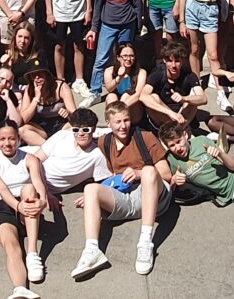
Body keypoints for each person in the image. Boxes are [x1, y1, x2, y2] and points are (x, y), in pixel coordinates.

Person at [70, 102, 173, 279]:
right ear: (108, 124)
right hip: (127, 197)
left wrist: (139, 173)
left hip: (153, 195)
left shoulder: (146, 137)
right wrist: (93, 198)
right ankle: (92, 250)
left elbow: (166, 174)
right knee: (90, 189)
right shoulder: (105, 142)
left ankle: (145, 242)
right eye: (117, 122)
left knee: (149, 170)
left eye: (126, 120)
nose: (123, 126)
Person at [0, 123, 48, 299]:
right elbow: (2, 189)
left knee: (29, 189)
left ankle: (32, 252)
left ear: (18, 139)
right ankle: (20, 288)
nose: (7, 143)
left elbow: (39, 183)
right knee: (11, 246)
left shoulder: (30, 159)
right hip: (4, 207)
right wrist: (17, 207)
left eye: (11, 138)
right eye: (2, 139)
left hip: (28, 203)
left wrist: (42, 200)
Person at [84, 0, 145, 108]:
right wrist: (94, 27)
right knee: (101, 59)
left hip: (127, 25)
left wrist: (138, 27)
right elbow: (97, 7)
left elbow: (138, 6)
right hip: (108, 25)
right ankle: (95, 91)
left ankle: (123, 89)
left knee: (126, 58)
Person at [30, 109, 113, 197]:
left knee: (28, 192)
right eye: (76, 129)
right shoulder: (62, 135)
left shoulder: (97, 155)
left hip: (40, 186)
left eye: (85, 130)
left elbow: (103, 184)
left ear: (93, 130)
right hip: (31, 172)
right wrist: (44, 191)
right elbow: (34, 160)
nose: (80, 133)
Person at [141, 40, 204, 126]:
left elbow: (203, 99)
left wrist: (184, 98)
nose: (173, 65)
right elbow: (143, 96)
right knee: (153, 97)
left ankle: (179, 129)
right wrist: (170, 113)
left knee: (194, 96)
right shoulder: (157, 74)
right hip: (163, 114)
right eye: (170, 61)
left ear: (183, 61)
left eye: (177, 61)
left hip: (183, 115)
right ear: (164, 60)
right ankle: (177, 129)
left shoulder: (189, 75)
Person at [18, 65, 77, 146]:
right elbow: (23, 119)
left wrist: (68, 113)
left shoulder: (61, 86)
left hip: (60, 125)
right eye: (33, 75)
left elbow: (76, 116)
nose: (37, 77)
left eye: (40, 74)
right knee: (21, 130)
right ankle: (47, 148)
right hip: (40, 127)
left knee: (76, 128)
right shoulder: (29, 89)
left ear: (47, 74)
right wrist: (36, 98)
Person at [103, 43, 149, 125]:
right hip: (116, 107)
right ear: (118, 57)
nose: (128, 59)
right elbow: (109, 88)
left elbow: (138, 94)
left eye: (131, 56)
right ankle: (113, 124)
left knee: (126, 95)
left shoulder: (141, 72)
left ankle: (123, 123)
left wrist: (121, 108)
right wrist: (119, 77)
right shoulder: (109, 71)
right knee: (111, 96)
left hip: (133, 108)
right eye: (125, 56)